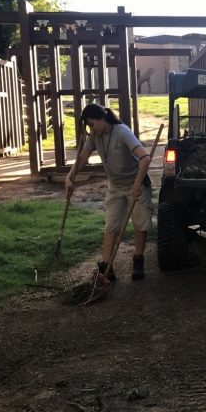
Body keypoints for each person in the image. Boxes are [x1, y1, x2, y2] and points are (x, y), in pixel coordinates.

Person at [65, 103, 154, 282]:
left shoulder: (122, 132)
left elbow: (145, 158)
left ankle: (138, 261)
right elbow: (83, 157)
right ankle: (106, 266)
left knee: (140, 224)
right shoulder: (95, 136)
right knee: (111, 225)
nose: (91, 129)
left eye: (92, 124)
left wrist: (137, 185)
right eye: (89, 126)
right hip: (115, 186)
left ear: (102, 118)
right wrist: (70, 176)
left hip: (135, 184)